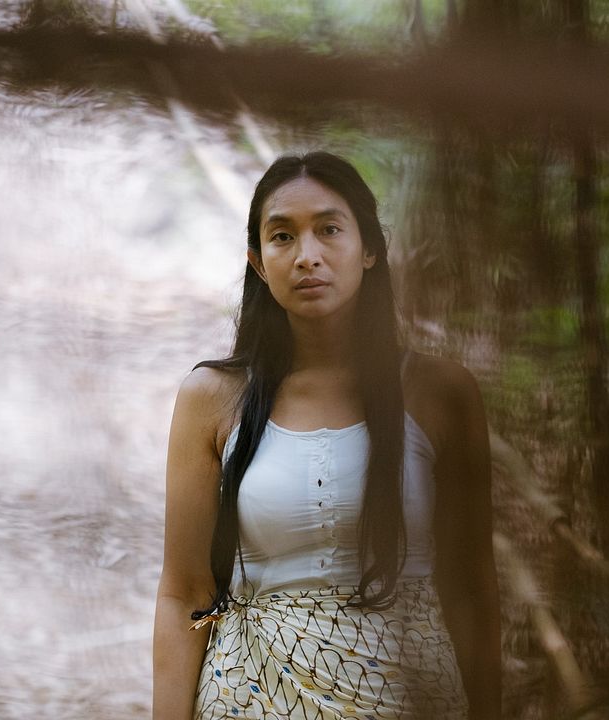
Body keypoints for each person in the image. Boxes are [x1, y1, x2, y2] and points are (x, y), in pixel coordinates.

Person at [152, 152, 502, 720]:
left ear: (369, 250)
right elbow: (184, 593)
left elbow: (472, 587)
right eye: (283, 236)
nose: (307, 256)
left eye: (329, 230)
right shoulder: (212, 397)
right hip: (253, 695)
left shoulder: (441, 393)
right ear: (259, 263)